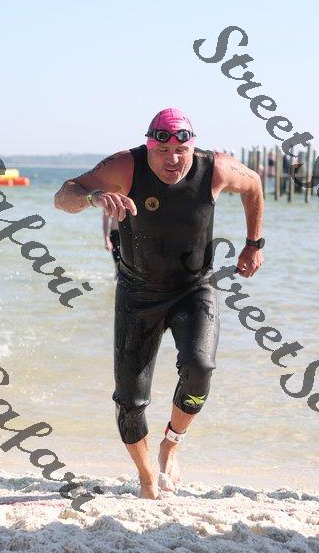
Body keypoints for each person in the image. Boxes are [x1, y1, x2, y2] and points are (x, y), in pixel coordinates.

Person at [54, 108, 264, 499]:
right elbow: (63, 196)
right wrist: (95, 197)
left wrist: (254, 244)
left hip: (194, 288)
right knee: (130, 401)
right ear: (149, 146)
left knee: (200, 368)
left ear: (192, 147)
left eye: (181, 151)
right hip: (138, 294)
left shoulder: (216, 169)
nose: (172, 160)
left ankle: (172, 442)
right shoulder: (125, 166)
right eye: (162, 151)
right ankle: (147, 476)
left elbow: (253, 185)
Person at [102, 214, 120, 278]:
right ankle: (116, 281)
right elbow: (105, 221)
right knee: (117, 263)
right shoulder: (108, 206)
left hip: (128, 234)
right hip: (115, 235)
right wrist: (106, 240)